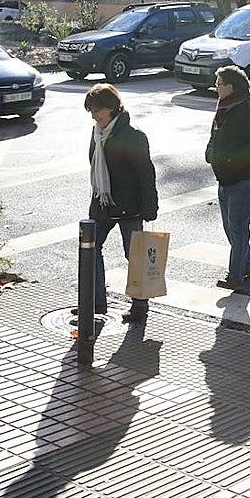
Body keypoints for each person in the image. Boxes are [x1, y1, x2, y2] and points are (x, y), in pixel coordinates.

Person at [85, 83, 158, 323]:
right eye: (92, 112)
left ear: (112, 108)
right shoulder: (97, 133)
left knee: (135, 254)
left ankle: (139, 306)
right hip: (103, 203)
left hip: (129, 206)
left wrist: (150, 206)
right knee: (90, 248)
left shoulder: (132, 136)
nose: (95, 116)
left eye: (98, 111)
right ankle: (95, 302)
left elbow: (145, 173)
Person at [205, 65, 250, 292]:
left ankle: (236, 275)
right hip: (226, 179)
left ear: (230, 87)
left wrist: (230, 160)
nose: (216, 87)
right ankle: (247, 265)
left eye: (219, 84)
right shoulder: (224, 108)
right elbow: (215, 135)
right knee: (230, 228)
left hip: (246, 180)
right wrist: (210, 152)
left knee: (238, 228)